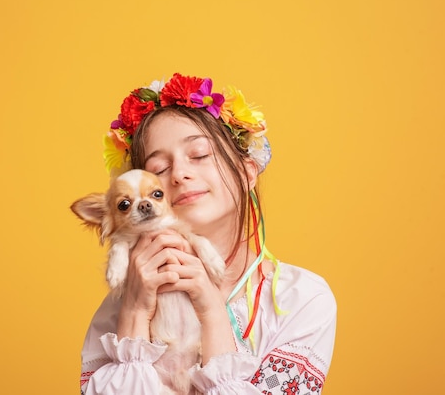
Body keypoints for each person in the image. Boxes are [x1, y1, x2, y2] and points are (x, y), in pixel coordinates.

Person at [79, 73, 336, 394]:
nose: (180, 174)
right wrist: (134, 312)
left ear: (246, 171)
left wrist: (212, 311)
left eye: (199, 155)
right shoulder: (126, 299)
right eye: (158, 171)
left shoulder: (300, 299)